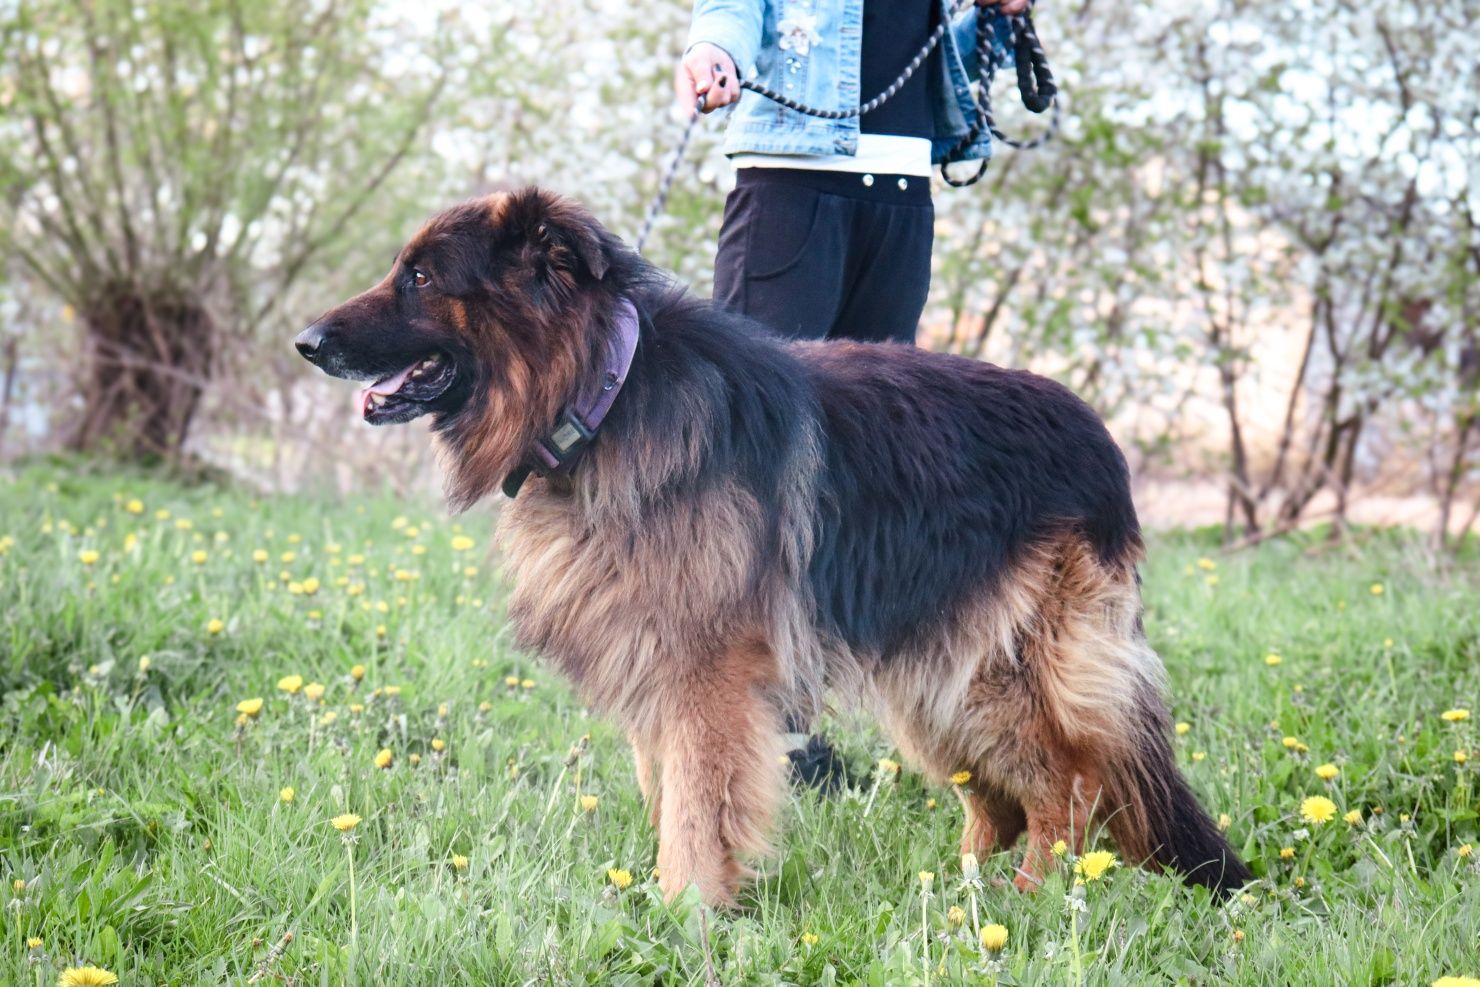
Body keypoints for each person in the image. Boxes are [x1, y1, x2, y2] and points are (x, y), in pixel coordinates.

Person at [673, 0, 1028, 787]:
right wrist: (711, 52)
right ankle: (763, 720)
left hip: (901, 193)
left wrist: (997, 19)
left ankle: (821, 706)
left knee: (864, 465)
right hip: (791, 187)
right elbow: (732, 10)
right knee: (751, 467)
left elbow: (935, 53)